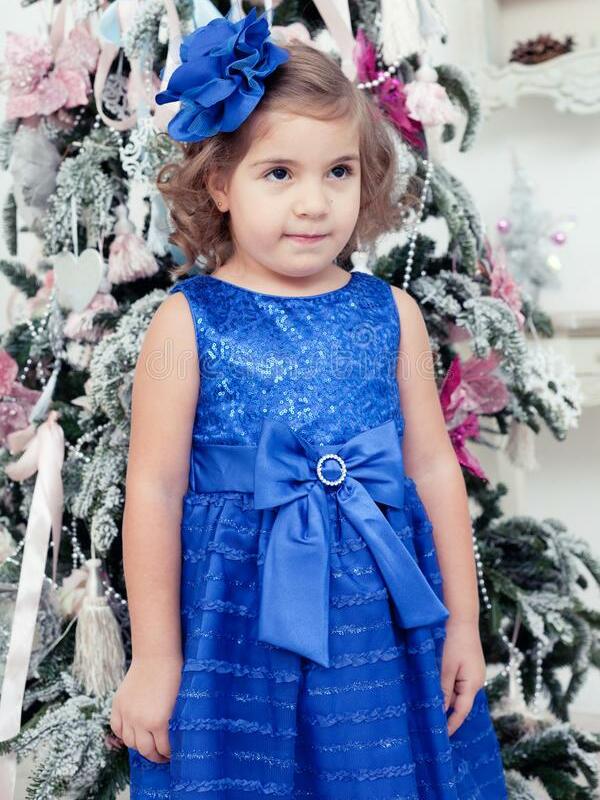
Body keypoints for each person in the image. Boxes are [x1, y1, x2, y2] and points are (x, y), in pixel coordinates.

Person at [110, 8, 508, 798]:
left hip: (378, 627)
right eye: (279, 173)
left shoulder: (391, 313)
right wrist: (155, 658)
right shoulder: (186, 322)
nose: (314, 203)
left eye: (338, 172)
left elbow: (433, 471)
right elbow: (153, 489)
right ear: (220, 183)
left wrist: (462, 623)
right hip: (237, 625)